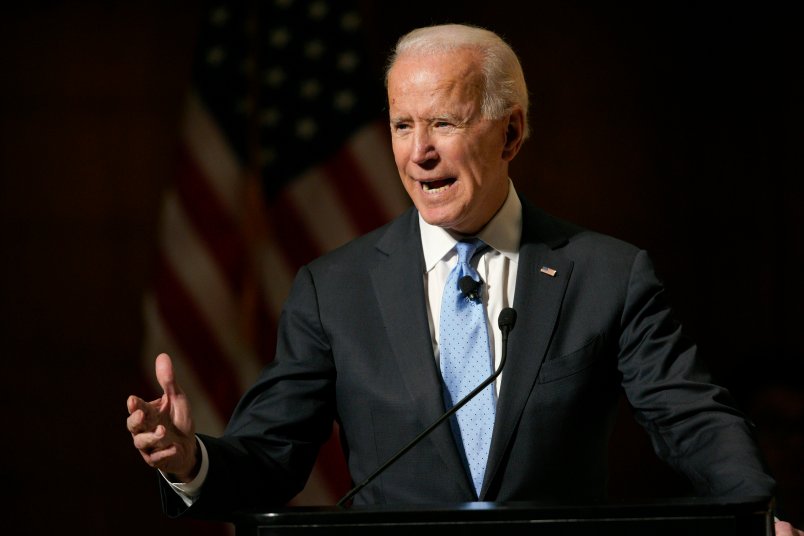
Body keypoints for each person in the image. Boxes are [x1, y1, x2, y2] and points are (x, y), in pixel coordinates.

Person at [127, 23, 801, 534]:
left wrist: (754, 516)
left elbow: (691, 418)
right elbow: (271, 458)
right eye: (401, 125)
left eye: (443, 124)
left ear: (511, 134)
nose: (418, 152)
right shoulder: (335, 290)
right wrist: (191, 461)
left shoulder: (606, 276)